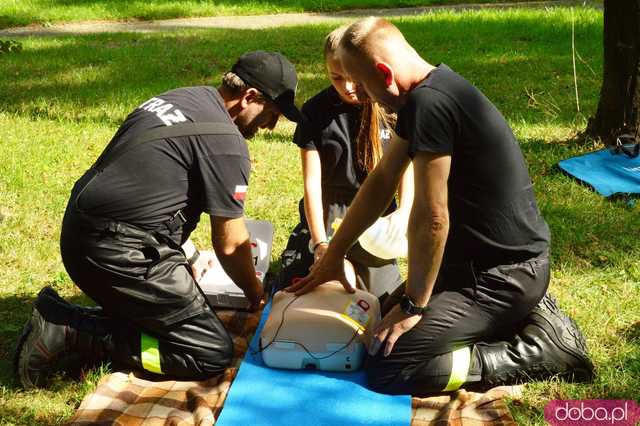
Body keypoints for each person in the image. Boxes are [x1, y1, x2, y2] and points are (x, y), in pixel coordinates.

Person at [288, 18, 594, 395]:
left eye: (365, 87)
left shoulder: (430, 103)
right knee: (377, 324)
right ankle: (516, 318)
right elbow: (382, 181)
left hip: (501, 278)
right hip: (473, 268)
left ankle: (538, 350)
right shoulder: (430, 91)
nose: (362, 97)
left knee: (388, 366)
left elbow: (433, 219)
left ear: (384, 73)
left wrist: (415, 306)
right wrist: (334, 254)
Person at [15, 51, 305, 389]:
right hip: (120, 253)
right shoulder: (227, 143)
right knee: (207, 351)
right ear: (249, 97)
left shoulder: (182, 98)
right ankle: (75, 333)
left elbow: (151, 184)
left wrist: (187, 255)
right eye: (271, 115)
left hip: (83, 232)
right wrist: (256, 293)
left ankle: (63, 317)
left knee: (168, 315)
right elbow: (229, 243)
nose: (270, 126)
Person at [278, 26, 413, 298]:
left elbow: (404, 171)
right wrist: (320, 245)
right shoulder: (315, 111)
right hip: (328, 215)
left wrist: (404, 212)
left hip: (376, 219)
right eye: (336, 78)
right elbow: (312, 184)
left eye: (352, 77)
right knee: (292, 292)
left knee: (383, 300)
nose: (348, 87)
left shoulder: (389, 105)